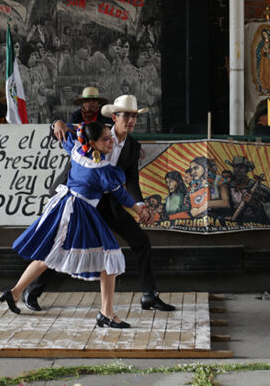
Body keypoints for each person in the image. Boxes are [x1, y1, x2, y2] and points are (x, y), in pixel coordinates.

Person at [23, 94, 176, 313]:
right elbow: (64, 129)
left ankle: (149, 295)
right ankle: (32, 291)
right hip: (80, 202)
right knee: (62, 247)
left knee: (140, 240)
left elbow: (131, 179)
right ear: (114, 117)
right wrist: (55, 123)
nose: (131, 121)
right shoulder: (96, 130)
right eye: (127, 116)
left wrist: (140, 204)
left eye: (134, 116)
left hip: (109, 203)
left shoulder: (132, 146)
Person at [0, 121, 142, 328]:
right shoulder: (99, 169)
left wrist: (59, 123)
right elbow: (121, 194)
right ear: (92, 143)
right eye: (106, 139)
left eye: (110, 137)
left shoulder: (77, 149)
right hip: (77, 213)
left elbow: (66, 135)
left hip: (66, 208)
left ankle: (14, 293)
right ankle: (106, 313)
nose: (111, 142)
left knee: (51, 256)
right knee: (110, 256)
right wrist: (140, 210)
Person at [225, 155, 270, 226]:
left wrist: (253, 203)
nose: (237, 170)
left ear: (246, 170)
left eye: (241, 168)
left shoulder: (258, 188)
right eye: (235, 167)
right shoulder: (228, 186)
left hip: (253, 224)